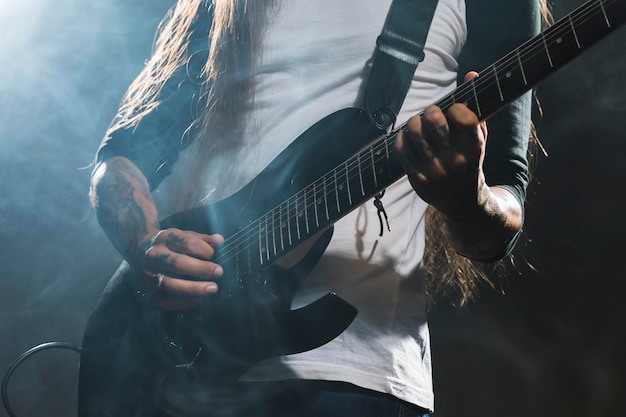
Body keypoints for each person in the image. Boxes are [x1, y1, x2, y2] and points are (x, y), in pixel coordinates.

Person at [79, 0, 545, 416]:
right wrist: (146, 247)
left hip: (357, 374)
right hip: (181, 361)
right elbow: (122, 156)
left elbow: (505, 204)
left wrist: (470, 198)